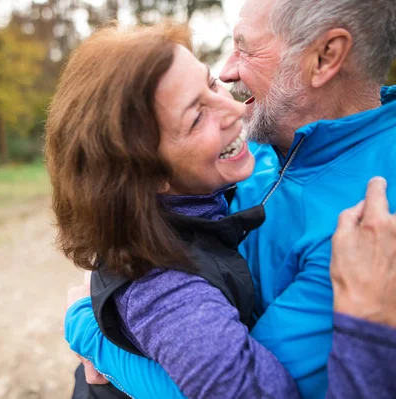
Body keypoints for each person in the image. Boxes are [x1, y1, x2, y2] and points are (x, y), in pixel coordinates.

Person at [64, 0, 396, 398]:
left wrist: (87, 330)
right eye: (197, 113)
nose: (229, 81)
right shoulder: (271, 145)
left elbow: (242, 388)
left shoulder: (368, 223)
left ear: (325, 57)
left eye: (246, 47)